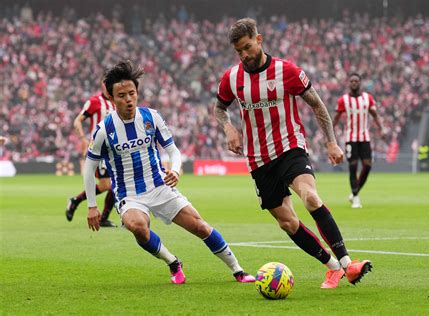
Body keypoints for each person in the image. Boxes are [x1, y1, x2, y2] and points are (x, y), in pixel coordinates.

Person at [214, 18, 371, 289]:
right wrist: (228, 127)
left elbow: (318, 105)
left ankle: (348, 264)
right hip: (258, 159)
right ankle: (332, 267)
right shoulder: (232, 78)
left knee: (310, 197)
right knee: (287, 222)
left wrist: (331, 142)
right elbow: (219, 108)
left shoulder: (286, 70)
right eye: (238, 51)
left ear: (259, 40)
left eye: (248, 47)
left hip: (290, 147)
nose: (244, 55)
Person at [84, 60, 255, 284]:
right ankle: (173, 262)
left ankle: (238, 270)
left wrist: (175, 170)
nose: (128, 99)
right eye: (122, 95)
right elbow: (90, 167)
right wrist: (91, 206)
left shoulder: (151, 117)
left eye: (132, 93)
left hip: (160, 187)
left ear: (137, 92)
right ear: (112, 98)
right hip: (130, 195)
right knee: (137, 227)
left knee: (200, 226)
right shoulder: (103, 130)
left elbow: (173, 151)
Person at [65, 81, 117, 227]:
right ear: (103, 85)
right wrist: (82, 139)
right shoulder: (94, 102)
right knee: (109, 185)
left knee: (110, 185)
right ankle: (102, 217)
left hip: (114, 149)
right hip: (100, 149)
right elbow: (77, 121)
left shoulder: (115, 103)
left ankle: (75, 201)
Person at [333, 73, 386, 208]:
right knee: (353, 166)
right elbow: (336, 117)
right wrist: (330, 134)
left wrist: (382, 128)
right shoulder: (343, 100)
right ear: (349, 83)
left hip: (364, 137)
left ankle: (355, 192)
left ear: (360, 83)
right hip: (350, 138)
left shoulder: (367, 98)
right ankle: (356, 197)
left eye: (356, 81)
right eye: (352, 81)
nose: (354, 83)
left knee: (367, 165)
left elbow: (375, 115)